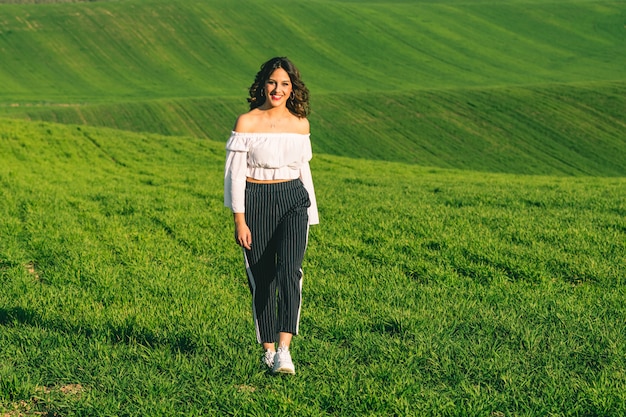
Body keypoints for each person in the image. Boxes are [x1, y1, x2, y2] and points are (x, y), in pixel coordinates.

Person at [223, 57, 319, 375]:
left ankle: (284, 351)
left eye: (285, 84)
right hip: (257, 200)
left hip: (293, 200)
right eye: (272, 82)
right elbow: (234, 175)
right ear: (263, 84)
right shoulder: (246, 123)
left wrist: (311, 214)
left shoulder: (300, 124)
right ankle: (266, 350)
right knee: (262, 278)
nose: (278, 90)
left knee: (290, 272)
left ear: (293, 89)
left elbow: (303, 171)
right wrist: (240, 219)